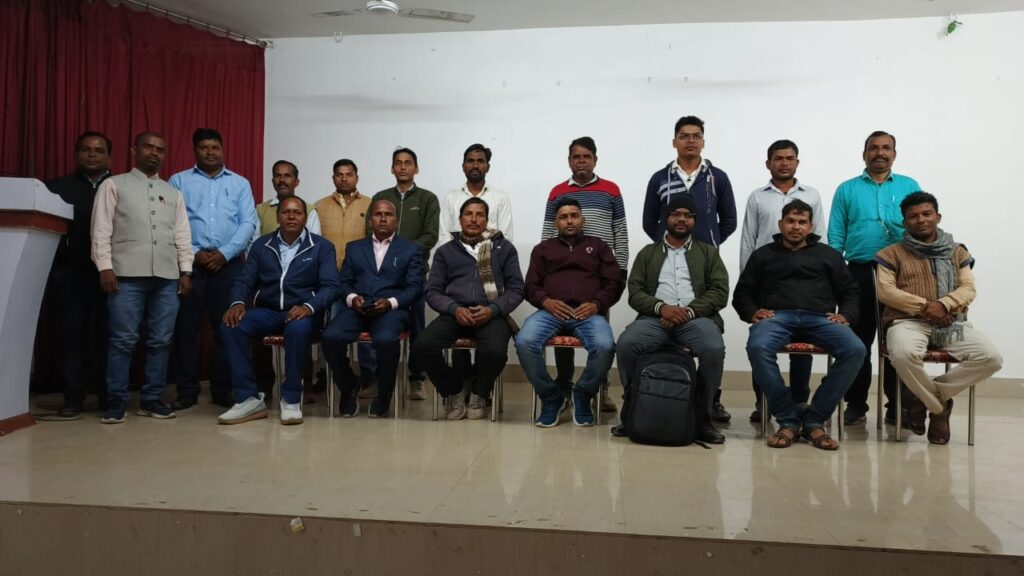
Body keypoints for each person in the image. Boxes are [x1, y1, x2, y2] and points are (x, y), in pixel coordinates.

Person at [733, 200, 865, 450]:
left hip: (820, 318)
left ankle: (815, 419)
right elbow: (743, 293)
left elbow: (850, 291)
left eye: (802, 222)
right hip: (777, 317)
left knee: (855, 349)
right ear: (780, 224)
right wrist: (752, 312)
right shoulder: (763, 255)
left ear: (810, 226)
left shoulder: (829, 255)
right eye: (790, 221)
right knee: (758, 347)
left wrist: (846, 314)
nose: (796, 227)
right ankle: (788, 418)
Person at [875, 192, 1002, 444]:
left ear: (938, 217)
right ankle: (939, 408)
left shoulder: (958, 252)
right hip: (907, 322)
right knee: (902, 354)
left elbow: (968, 288)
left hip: (951, 322)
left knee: (991, 358)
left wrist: (944, 305)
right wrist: (925, 307)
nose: (921, 220)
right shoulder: (890, 254)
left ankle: (923, 398)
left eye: (926, 214)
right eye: (913, 216)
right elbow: (886, 292)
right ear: (904, 222)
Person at [90, 131, 194, 424]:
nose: (154, 153)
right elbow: (101, 229)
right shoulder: (114, 185)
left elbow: (182, 235)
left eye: (159, 149)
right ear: (134, 150)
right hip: (125, 276)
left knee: (161, 341)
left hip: (167, 277)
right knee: (123, 341)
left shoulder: (173, 193)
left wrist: (185, 270)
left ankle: (152, 399)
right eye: (148, 147)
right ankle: (116, 402)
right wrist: (104, 266)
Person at [641, 116, 737, 423]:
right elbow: (649, 221)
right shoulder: (660, 178)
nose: (690, 141)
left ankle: (710, 401)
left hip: (703, 267)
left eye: (696, 136)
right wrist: (668, 241)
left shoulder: (717, 178)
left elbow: (729, 220)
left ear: (703, 142)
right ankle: (645, 398)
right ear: (674, 142)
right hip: (668, 262)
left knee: (711, 339)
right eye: (684, 136)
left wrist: (707, 242)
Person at [614, 195, 728, 444]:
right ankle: (632, 409)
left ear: (695, 221)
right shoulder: (648, 253)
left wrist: (686, 312)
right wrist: (661, 308)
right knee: (626, 344)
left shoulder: (708, 253)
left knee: (713, 348)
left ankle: (703, 417)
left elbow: (720, 292)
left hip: (695, 318)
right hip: (655, 319)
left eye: (688, 215)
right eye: (676, 214)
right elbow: (635, 292)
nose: (682, 219)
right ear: (666, 218)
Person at [218, 196, 339, 425]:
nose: (291, 216)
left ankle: (291, 399)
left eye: (297, 212)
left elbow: (331, 287)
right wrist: (237, 303)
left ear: (305, 218)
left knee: (297, 329)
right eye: (286, 212)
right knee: (231, 325)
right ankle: (248, 399)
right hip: (269, 311)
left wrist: (309, 306)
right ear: (277, 217)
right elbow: (244, 280)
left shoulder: (322, 247)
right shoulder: (262, 245)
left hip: (303, 313)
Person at [828, 130, 920, 425]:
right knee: (857, 341)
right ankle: (856, 404)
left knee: (897, 340)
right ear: (864, 153)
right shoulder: (847, 189)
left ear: (894, 154)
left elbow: (919, 227)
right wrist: (836, 274)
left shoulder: (909, 186)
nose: (880, 153)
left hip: (900, 274)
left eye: (886, 148)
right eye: (874, 148)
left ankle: (897, 406)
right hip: (858, 271)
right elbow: (836, 234)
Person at [515, 198, 623, 427]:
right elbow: (531, 286)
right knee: (524, 341)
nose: (570, 221)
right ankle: (552, 397)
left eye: (574, 215)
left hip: (588, 314)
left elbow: (614, 282)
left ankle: (582, 394)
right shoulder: (543, 249)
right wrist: (546, 302)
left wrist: (596, 304)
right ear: (556, 223)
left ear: (583, 220)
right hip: (551, 313)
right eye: (563, 217)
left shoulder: (599, 246)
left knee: (605, 346)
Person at [170, 128, 257, 410]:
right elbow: (172, 221)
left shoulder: (240, 183)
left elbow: (248, 223)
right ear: (195, 150)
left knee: (227, 328)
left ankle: (223, 389)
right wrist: (194, 253)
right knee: (186, 330)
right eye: (204, 147)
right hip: (189, 265)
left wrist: (224, 254)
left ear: (222, 149)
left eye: (215, 147)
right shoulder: (178, 181)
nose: (210, 152)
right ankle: (186, 390)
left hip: (228, 266)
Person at [413, 198, 524, 420]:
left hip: (490, 312)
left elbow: (517, 289)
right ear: (460, 219)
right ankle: (453, 391)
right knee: (422, 347)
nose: (474, 219)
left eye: (480, 214)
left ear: (487, 219)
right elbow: (432, 291)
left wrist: (493, 309)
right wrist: (454, 308)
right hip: (455, 312)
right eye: (468, 214)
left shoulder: (503, 249)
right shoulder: (446, 251)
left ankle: (479, 393)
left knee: (495, 352)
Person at [739, 139, 826, 422]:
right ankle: (762, 401)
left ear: (797, 162)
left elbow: (821, 238)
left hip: (805, 280)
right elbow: (748, 239)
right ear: (769, 163)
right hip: (767, 278)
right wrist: (747, 285)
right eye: (778, 158)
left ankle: (799, 400)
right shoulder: (757, 197)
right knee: (762, 340)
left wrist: (822, 280)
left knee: (803, 344)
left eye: (789, 158)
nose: (784, 163)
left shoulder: (812, 195)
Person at [542, 136, 628, 413]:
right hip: (562, 275)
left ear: (595, 160)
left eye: (586, 156)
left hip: (600, 277)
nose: (581, 161)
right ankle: (565, 385)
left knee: (599, 335)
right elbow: (547, 232)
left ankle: (600, 390)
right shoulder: (557, 192)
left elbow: (620, 232)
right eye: (576, 156)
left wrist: (620, 271)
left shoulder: (611, 190)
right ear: (569, 161)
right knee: (561, 324)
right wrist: (546, 272)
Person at [322, 199, 423, 418]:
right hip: (358, 308)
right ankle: (349, 386)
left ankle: (384, 393)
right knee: (330, 337)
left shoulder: (411, 249)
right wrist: (352, 298)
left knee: (386, 340)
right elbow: (344, 282)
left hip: (391, 310)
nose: (383, 218)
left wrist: (390, 302)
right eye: (378, 214)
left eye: (388, 214)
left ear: (396, 220)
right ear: (370, 221)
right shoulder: (354, 248)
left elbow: (415, 288)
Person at [43, 131, 112, 419]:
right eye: (86, 149)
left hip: (112, 276)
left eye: (98, 150)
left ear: (109, 156)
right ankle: (73, 397)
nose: (92, 154)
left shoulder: (120, 187)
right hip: (72, 275)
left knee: (111, 338)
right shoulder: (56, 189)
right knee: (73, 338)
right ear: (77, 153)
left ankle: (109, 397)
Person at [440, 144, 515, 404]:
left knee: (489, 343)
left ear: (487, 166)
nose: (475, 165)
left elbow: (504, 238)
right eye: (470, 160)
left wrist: (483, 261)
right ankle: (462, 381)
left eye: (480, 161)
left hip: (490, 276)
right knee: (457, 331)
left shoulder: (500, 197)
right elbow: (445, 237)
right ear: (463, 165)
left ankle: (480, 386)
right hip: (457, 274)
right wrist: (459, 265)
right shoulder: (451, 198)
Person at [369, 148, 440, 401]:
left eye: (408, 163)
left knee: (417, 327)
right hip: (381, 274)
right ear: (392, 168)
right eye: (398, 163)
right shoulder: (380, 197)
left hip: (415, 273)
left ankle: (417, 378)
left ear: (416, 168)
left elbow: (430, 235)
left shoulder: (427, 198)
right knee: (381, 325)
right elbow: (371, 233)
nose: (402, 167)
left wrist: (402, 254)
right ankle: (378, 378)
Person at [314, 159, 375, 397]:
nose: (344, 178)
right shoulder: (319, 207)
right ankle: (328, 374)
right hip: (327, 278)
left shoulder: (369, 205)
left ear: (357, 177)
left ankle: (369, 375)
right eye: (339, 174)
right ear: (333, 178)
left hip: (359, 279)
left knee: (363, 323)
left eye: (349, 174)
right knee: (327, 326)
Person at [254, 160, 320, 238]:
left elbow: (315, 242)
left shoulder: (309, 210)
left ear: (296, 182)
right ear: (273, 181)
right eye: (278, 176)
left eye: (287, 176)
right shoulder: (261, 210)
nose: (282, 180)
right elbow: (255, 242)